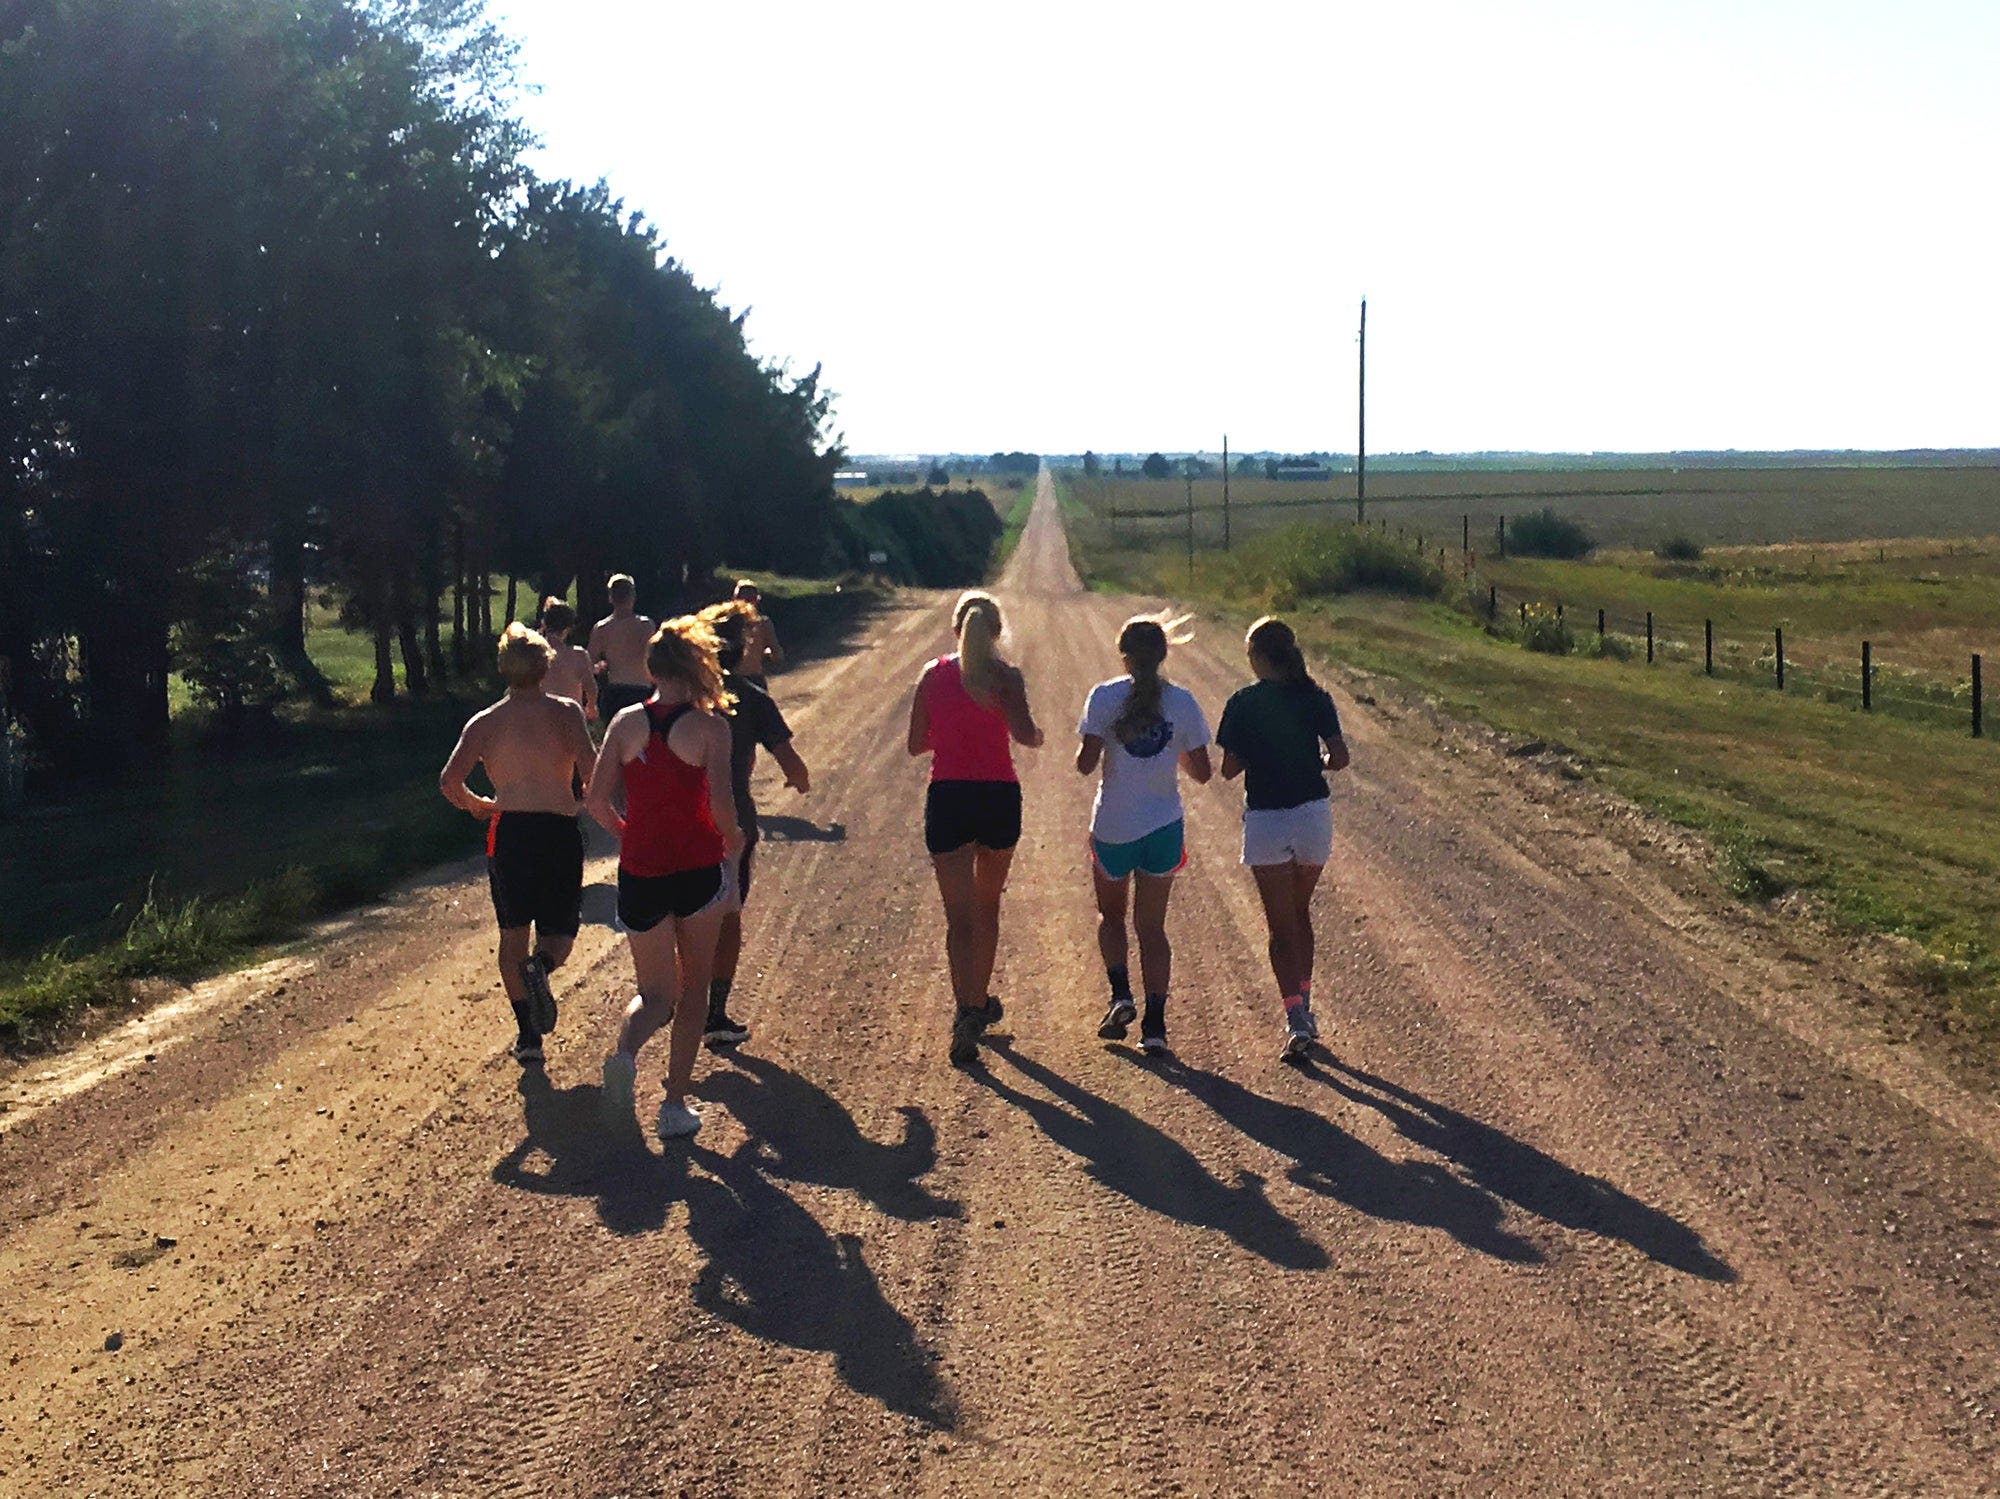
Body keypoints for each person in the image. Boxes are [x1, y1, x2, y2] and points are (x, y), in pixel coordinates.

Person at [585, 615, 744, 1139]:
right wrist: (735, 842)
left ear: (652, 668)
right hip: (697, 867)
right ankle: (673, 1105)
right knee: (694, 990)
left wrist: (628, 832)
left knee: (655, 994)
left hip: (641, 869)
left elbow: (595, 799)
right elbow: (720, 805)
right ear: (698, 667)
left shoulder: (625, 722)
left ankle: (626, 1056)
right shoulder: (711, 728)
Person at [438, 623, 596, 1064]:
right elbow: (593, 770)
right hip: (557, 831)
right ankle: (541, 968)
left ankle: (528, 1036)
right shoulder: (566, 712)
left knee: (512, 935)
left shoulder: (484, 722)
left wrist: (479, 805)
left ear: (503, 668)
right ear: (545, 666)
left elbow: (449, 781)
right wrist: (584, 802)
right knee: (559, 936)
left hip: (509, 832)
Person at [907, 590, 1043, 1065]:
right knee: (988, 910)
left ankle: (966, 1008)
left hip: (948, 797)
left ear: (956, 630)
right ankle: (978, 1002)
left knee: (957, 918)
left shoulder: (932, 675)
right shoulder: (1006, 679)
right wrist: (1032, 729)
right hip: (998, 797)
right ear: (998, 632)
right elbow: (1027, 736)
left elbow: (914, 745)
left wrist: (949, 731)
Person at [1215, 616, 1350, 1061]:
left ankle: (1295, 1019)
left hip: (1268, 820)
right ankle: (1306, 1005)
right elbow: (1339, 757)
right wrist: (1315, 761)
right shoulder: (1316, 697)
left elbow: (1230, 769)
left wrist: (1261, 750)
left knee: (1279, 927)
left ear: (1256, 657)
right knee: (1299, 912)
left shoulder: (1243, 703)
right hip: (1312, 815)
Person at [1076, 615, 1212, 1055]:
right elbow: (1203, 772)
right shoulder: (1183, 702)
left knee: (1111, 918)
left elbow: (1084, 764)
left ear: (1124, 655)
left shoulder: (1104, 697)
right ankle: (1155, 1026)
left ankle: (1120, 996)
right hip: (1163, 826)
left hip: (1114, 825)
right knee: (1152, 929)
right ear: (1163, 654)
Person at [697, 600, 811, 1049]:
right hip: (734, 820)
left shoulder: (682, 694)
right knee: (728, 913)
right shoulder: (753, 698)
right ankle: (715, 1012)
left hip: (683, 815)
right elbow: (793, 766)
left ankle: (674, 996)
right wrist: (797, 780)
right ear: (742, 645)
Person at [589, 574, 656, 722]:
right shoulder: (646, 626)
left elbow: (590, 663)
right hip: (641, 689)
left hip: (615, 691)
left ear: (610, 597)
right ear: (632, 596)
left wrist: (601, 667)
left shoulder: (602, 628)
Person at [537, 597, 598, 723]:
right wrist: (591, 706)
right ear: (568, 629)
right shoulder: (578, 655)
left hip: (542, 719)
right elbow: (591, 687)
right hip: (571, 718)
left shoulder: (534, 654)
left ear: (544, 624)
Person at [731, 580, 784, 687]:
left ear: (734, 599)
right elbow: (777, 654)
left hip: (731, 680)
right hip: (754, 679)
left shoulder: (725, 622)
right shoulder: (763, 623)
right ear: (756, 600)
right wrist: (765, 654)